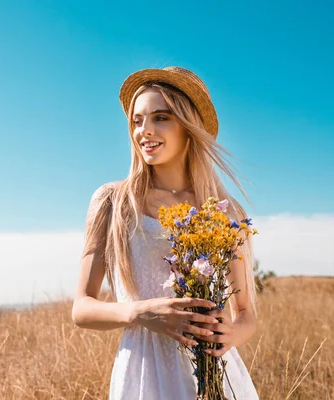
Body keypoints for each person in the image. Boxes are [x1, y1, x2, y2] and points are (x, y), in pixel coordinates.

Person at [71, 66, 259, 399]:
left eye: (160, 117)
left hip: (215, 373)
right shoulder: (113, 202)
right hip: (143, 376)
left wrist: (227, 336)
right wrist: (139, 312)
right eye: (137, 120)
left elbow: (246, 315)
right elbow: (82, 309)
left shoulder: (221, 212)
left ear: (189, 127)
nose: (144, 130)